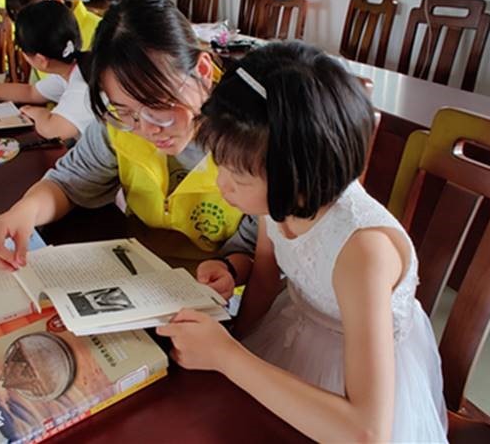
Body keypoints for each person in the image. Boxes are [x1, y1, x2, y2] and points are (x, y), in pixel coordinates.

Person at [157, 42, 448, 442]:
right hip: (294, 327)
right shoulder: (281, 200)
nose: (223, 187)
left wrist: (227, 356)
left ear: (297, 178)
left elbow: (367, 433)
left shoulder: (362, 250)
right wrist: (232, 342)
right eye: (220, 167)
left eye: (238, 178)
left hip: (356, 383)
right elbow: (264, 277)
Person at [0, 0, 253, 276]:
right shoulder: (118, 126)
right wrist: (24, 212)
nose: (147, 129)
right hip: (141, 270)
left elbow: (258, 251)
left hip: (215, 287)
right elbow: (69, 182)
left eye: (158, 107)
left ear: (203, 72)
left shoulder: (249, 136)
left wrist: (229, 269)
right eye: (125, 111)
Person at [0, 0, 95, 140]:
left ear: (41, 60)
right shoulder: (72, 68)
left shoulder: (82, 85)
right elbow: (31, 92)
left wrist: (36, 112)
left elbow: (52, 131)